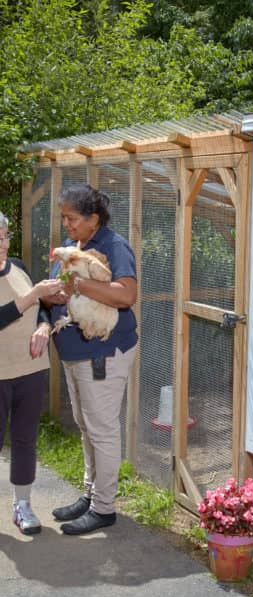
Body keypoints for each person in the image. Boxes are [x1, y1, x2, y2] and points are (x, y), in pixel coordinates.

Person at [44, 184, 138, 535]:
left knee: (101, 430)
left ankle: (104, 507)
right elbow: (61, 291)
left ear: (93, 219)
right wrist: (51, 294)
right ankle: (91, 494)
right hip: (75, 353)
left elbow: (127, 294)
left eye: (72, 218)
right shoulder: (74, 247)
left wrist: (78, 286)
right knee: (86, 426)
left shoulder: (113, 246)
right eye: (63, 217)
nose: (66, 224)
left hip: (102, 353)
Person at [0, 212, 65, 535]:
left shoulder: (19, 266)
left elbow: (42, 307)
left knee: (25, 440)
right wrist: (33, 294)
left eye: (4, 236)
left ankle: (22, 506)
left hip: (32, 369)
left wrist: (43, 325)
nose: (1, 244)